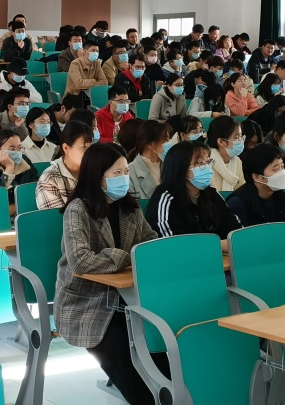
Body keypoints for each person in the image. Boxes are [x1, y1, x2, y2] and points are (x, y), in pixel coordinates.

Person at [54, 142, 167, 404]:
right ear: (97, 176)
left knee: (161, 354)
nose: (124, 178)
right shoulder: (78, 209)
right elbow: (80, 261)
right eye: (117, 173)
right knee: (128, 364)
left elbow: (150, 241)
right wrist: (123, 257)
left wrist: (139, 254)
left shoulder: (130, 207)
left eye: (126, 172)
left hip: (129, 298)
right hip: (88, 302)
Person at [148, 140, 240, 238]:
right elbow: (173, 243)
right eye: (200, 163)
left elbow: (236, 232)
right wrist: (219, 244)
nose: (207, 167)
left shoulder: (212, 194)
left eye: (208, 162)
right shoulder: (165, 200)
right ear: (181, 168)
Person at [227, 143, 285, 226]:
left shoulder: (281, 198)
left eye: (282, 167)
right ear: (256, 177)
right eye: (276, 169)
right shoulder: (238, 203)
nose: (282, 173)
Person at [35, 121, 92, 211]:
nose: (89, 153)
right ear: (66, 148)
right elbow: (55, 217)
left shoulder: (94, 170)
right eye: (84, 147)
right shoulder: (49, 178)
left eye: (91, 147)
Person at [127, 120, 171, 200]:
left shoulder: (171, 167)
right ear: (151, 144)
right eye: (166, 140)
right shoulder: (129, 173)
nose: (170, 144)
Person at [206, 116, 245, 193]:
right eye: (236, 137)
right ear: (221, 142)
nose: (241, 141)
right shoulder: (206, 162)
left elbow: (243, 188)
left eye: (241, 136)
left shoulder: (237, 161)